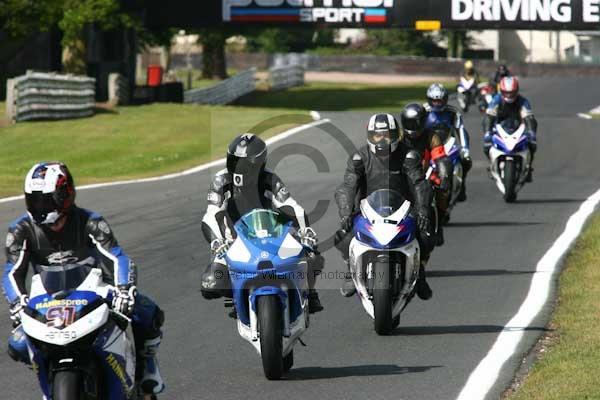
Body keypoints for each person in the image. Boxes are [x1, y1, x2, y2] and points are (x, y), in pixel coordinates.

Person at [3, 162, 165, 395]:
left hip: (95, 290)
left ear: (64, 195)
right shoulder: (20, 230)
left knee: (146, 311)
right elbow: (12, 271)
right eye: (34, 199)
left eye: (45, 200)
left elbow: (117, 258)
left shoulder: (91, 222)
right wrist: (17, 302)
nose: (39, 206)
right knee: (17, 343)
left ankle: (147, 366)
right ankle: (47, 381)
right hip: (48, 299)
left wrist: (124, 289)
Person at [200, 133, 324, 314]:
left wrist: (306, 230)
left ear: (258, 164)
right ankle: (238, 296)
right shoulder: (221, 180)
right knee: (211, 283)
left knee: (312, 256)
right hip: (233, 240)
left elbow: (290, 205)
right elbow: (211, 214)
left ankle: (310, 294)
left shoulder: (269, 179)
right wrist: (216, 240)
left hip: (271, 234)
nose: (238, 168)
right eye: (235, 161)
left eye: (244, 164)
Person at [334, 113, 435, 300]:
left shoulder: (409, 156)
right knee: (342, 236)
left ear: (396, 135)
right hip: (366, 211)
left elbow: (420, 184)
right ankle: (350, 269)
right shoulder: (359, 158)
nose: (382, 140)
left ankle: (419, 271)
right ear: (370, 136)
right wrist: (346, 213)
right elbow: (347, 187)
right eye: (377, 135)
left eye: (386, 135)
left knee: (426, 235)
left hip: (403, 210)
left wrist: (423, 212)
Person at [483, 76, 538, 182]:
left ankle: (528, 167)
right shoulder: (496, 100)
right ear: (502, 91)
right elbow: (489, 117)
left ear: (516, 91)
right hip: (499, 127)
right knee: (486, 144)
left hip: (518, 128)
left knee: (532, 144)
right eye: (506, 92)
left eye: (512, 92)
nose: (509, 95)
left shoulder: (523, 101)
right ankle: (491, 164)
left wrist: (531, 132)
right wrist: (487, 132)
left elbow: (529, 118)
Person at [423, 83, 472, 202]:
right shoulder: (423, 111)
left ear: (445, 99)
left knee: (466, 161)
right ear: (429, 100)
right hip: (428, 145)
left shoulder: (453, 112)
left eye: (440, 100)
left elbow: (460, 130)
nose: (437, 103)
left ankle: (462, 187)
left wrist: (465, 149)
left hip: (447, 144)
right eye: (434, 101)